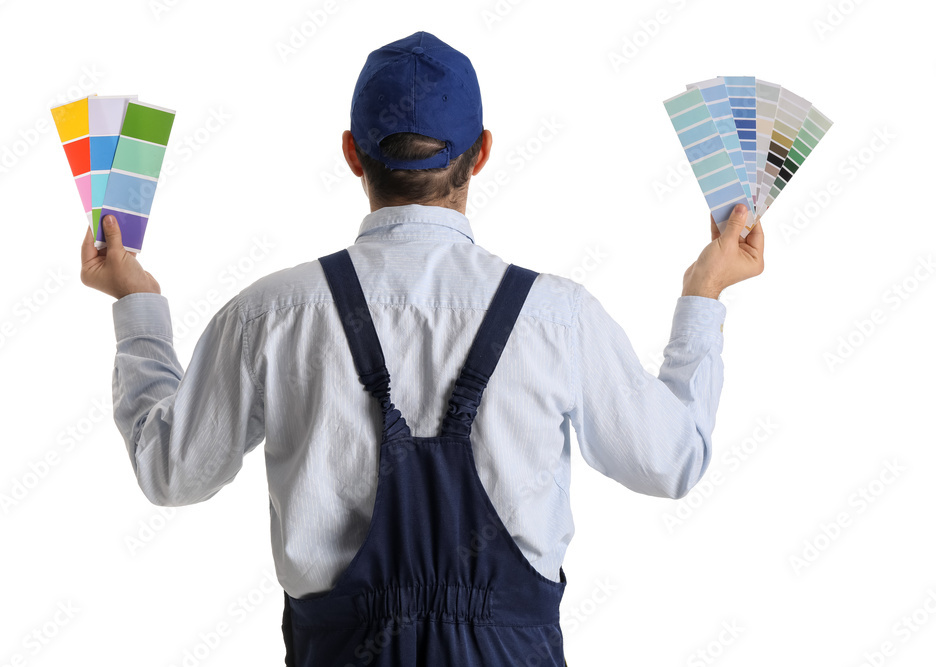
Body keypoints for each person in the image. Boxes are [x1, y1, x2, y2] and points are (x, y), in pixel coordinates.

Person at [80, 30, 764, 667]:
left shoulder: (270, 314)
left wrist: (134, 304)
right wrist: (704, 292)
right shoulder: (559, 318)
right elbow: (673, 459)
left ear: (352, 152)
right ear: (484, 152)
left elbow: (169, 470)